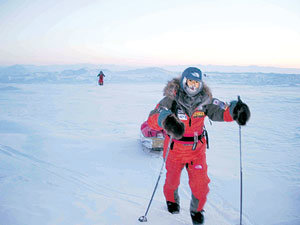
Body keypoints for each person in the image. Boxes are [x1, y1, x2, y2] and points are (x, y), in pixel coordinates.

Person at [147, 67, 250, 225]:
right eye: (190, 83)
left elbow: (222, 111)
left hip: (196, 152)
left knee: (201, 185)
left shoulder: (206, 101)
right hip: (174, 151)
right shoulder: (171, 99)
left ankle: (196, 210)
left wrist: (236, 110)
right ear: (183, 82)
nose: (193, 86)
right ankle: (171, 201)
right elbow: (153, 117)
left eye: (197, 83)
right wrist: (165, 120)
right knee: (172, 182)